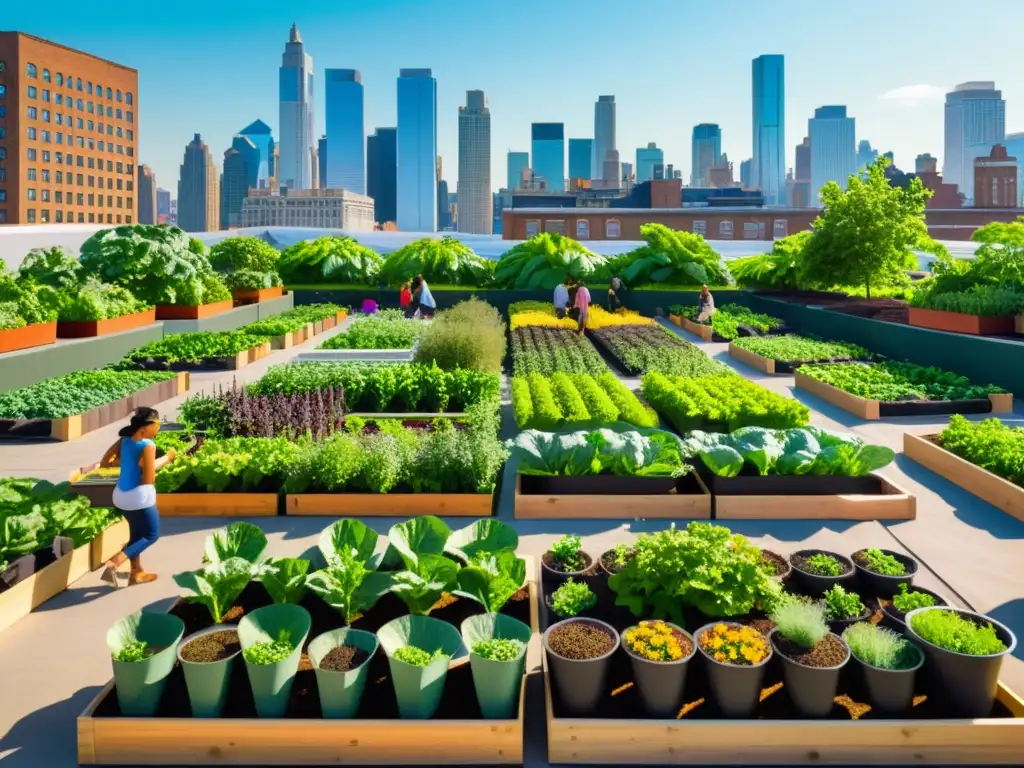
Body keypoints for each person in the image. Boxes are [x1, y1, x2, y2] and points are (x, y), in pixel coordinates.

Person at [98, 407, 176, 588]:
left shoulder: (124, 440)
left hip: (120, 496)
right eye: (157, 425)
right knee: (151, 534)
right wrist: (166, 460)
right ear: (145, 427)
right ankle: (116, 561)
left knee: (136, 534)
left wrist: (131, 463)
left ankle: (136, 572)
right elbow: (149, 478)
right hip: (138, 497)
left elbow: (105, 463)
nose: (158, 428)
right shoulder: (148, 445)